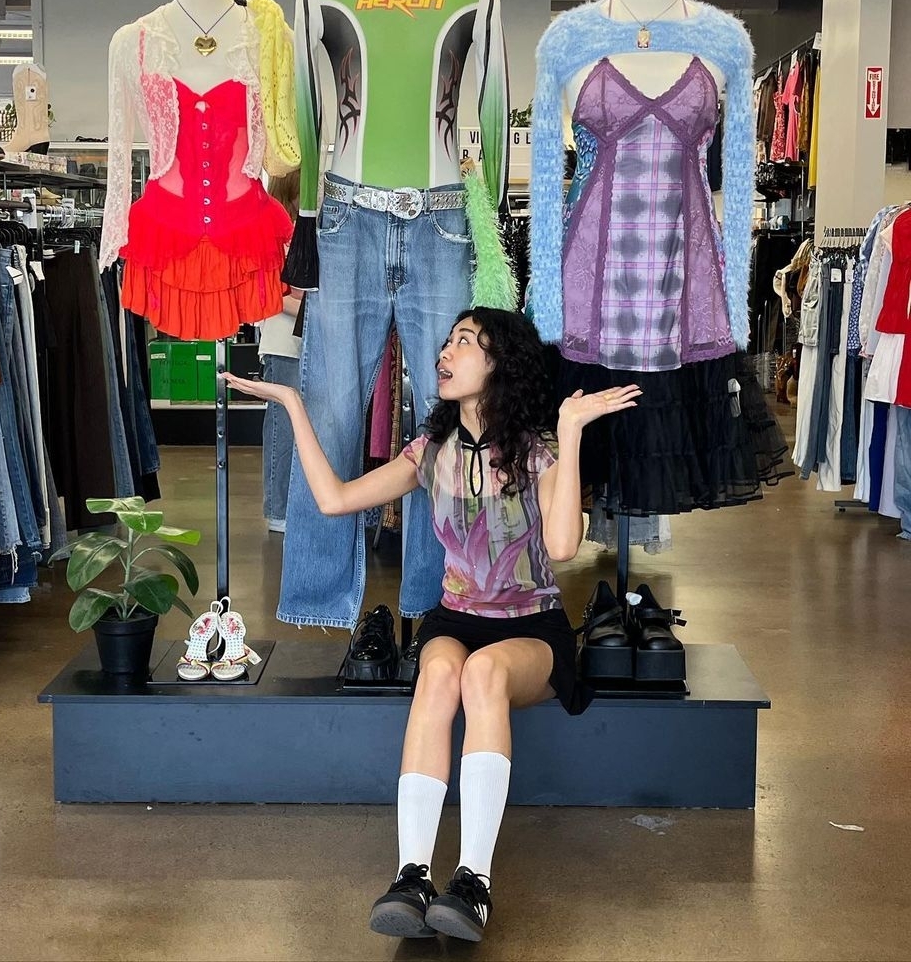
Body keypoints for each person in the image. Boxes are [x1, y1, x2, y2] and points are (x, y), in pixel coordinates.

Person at [223, 307, 640, 943]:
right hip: (456, 618)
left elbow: (560, 549)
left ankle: (474, 881)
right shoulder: (430, 450)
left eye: (465, 343)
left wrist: (571, 429)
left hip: (533, 628)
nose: (446, 353)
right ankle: (413, 873)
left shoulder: (538, 449)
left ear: (499, 362)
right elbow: (335, 500)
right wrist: (292, 404)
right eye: (446, 342)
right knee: (440, 668)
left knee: (483, 671)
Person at [258, 172, 303, 533]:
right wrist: (311, 308)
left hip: (301, 342)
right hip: (282, 342)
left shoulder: (298, 234)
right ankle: (278, 510)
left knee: (294, 426)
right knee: (282, 429)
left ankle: (289, 507)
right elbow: (272, 296)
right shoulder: (271, 236)